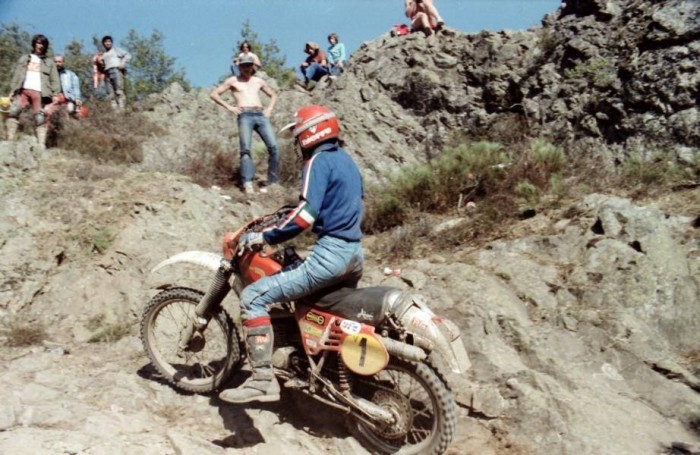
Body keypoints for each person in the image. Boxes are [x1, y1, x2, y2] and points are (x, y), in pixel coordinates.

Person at [218, 105, 365, 404]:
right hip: (354, 254)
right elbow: (344, 204)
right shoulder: (346, 160)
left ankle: (262, 380)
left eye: (298, 137)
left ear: (309, 135)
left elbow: (305, 215)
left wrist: (265, 236)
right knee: (318, 310)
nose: (297, 145)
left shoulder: (317, 161)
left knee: (253, 297)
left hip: (331, 256)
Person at [210, 54, 280, 194]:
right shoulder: (233, 80)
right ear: (239, 67)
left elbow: (273, 95)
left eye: (249, 65)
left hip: (260, 115)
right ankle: (248, 183)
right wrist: (230, 107)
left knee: (274, 148)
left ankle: (273, 182)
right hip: (245, 115)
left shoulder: (258, 81)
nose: (246, 68)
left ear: (252, 66)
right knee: (245, 149)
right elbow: (214, 94)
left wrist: (269, 109)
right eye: (243, 66)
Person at [6, 34, 60, 149]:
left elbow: (55, 79)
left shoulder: (49, 62)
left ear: (45, 46)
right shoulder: (24, 58)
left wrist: (55, 94)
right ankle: (10, 139)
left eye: (43, 44)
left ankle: (41, 145)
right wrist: (12, 90)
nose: (40, 46)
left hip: (39, 92)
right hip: (24, 90)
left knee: (40, 118)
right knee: (13, 111)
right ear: (34, 44)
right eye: (38, 43)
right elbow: (17, 75)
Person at [99, 35, 131, 110]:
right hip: (107, 73)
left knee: (119, 91)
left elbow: (127, 55)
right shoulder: (103, 55)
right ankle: (115, 112)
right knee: (110, 94)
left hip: (116, 70)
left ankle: (122, 109)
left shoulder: (116, 50)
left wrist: (122, 63)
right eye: (106, 42)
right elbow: (101, 66)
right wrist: (101, 63)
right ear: (103, 44)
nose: (108, 43)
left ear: (111, 43)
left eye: (109, 41)